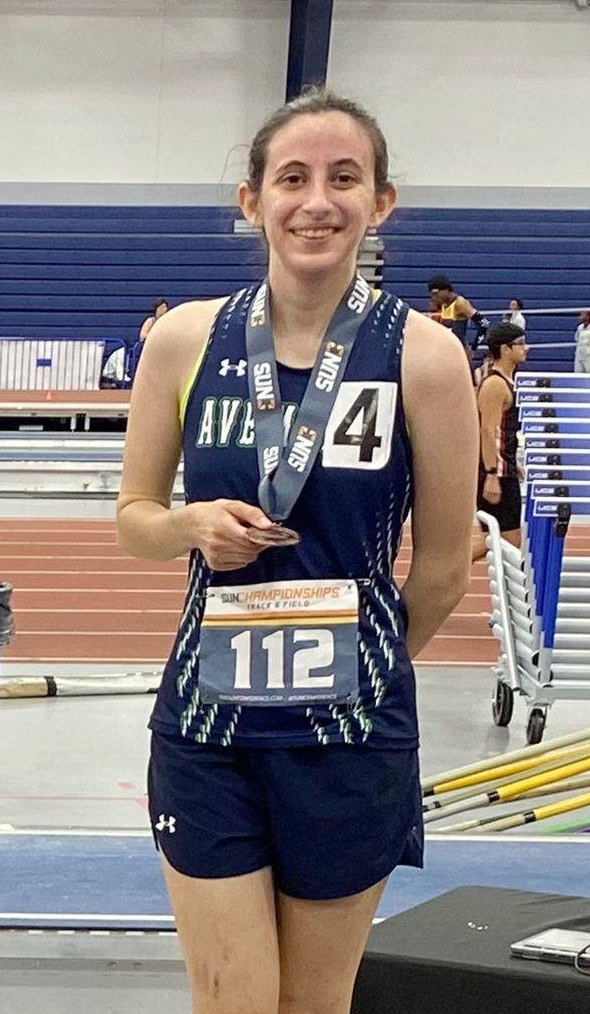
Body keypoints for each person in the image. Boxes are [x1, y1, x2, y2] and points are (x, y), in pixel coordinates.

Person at [115, 89, 475, 1014]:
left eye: (344, 179)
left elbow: (440, 566)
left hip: (349, 737)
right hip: (208, 727)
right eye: (293, 179)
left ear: (381, 202)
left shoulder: (426, 358)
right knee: (233, 999)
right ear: (252, 201)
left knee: (312, 1003)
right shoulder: (184, 340)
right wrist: (190, 527)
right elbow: (134, 515)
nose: (317, 201)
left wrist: (360, 663)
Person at [472, 323, 527, 560]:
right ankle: (450, 569)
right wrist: (492, 473)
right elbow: (487, 431)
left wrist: (514, 463)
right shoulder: (495, 384)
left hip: (505, 469)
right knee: (505, 539)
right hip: (495, 473)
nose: (526, 348)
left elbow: (504, 433)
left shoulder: (505, 381)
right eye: (521, 344)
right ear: (505, 349)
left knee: (508, 540)